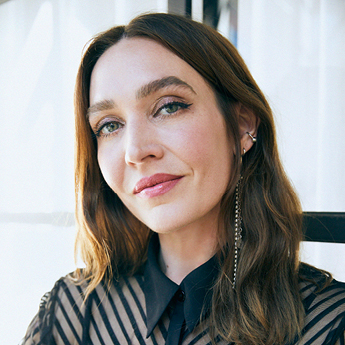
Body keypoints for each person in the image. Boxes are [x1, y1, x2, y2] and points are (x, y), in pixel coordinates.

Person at [22, 12, 345, 345]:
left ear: (241, 125)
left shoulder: (329, 323)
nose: (135, 150)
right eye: (109, 125)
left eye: (169, 107)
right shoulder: (71, 312)